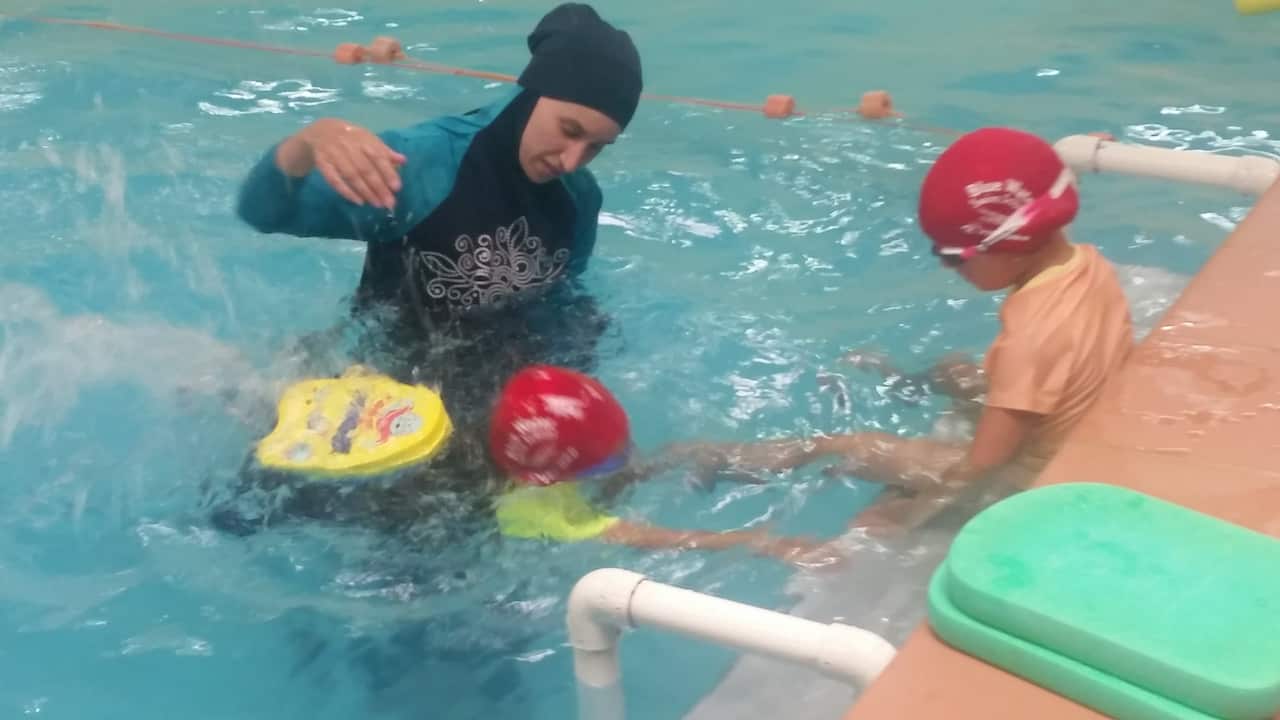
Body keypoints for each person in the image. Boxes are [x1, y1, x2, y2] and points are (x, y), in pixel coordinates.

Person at [666, 127, 1135, 533]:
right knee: (953, 368)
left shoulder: (1033, 337)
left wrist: (910, 515)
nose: (947, 267)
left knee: (852, 445)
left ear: (1009, 245)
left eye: (954, 256)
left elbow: (986, 466)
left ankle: (727, 457)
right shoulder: (1086, 266)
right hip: (1062, 421)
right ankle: (906, 383)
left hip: (1029, 476)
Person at [233, 2, 643, 424]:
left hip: (492, 399)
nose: (573, 160)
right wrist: (305, 144)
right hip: (383, 392)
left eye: (595, 146)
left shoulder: (579, 200)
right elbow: (260, 212)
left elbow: (564, 302)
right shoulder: (424, 165)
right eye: (569, 130)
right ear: (533, 93)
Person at [208, 364, 837, 568]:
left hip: (355, 428)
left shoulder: (491, 417)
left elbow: (614, 463)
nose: (622, 465)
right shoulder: (528, 507)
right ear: (549, 478)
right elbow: (648, 537)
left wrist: (690, 457)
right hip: (332, 501)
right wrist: (760, 542)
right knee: (273, 510)